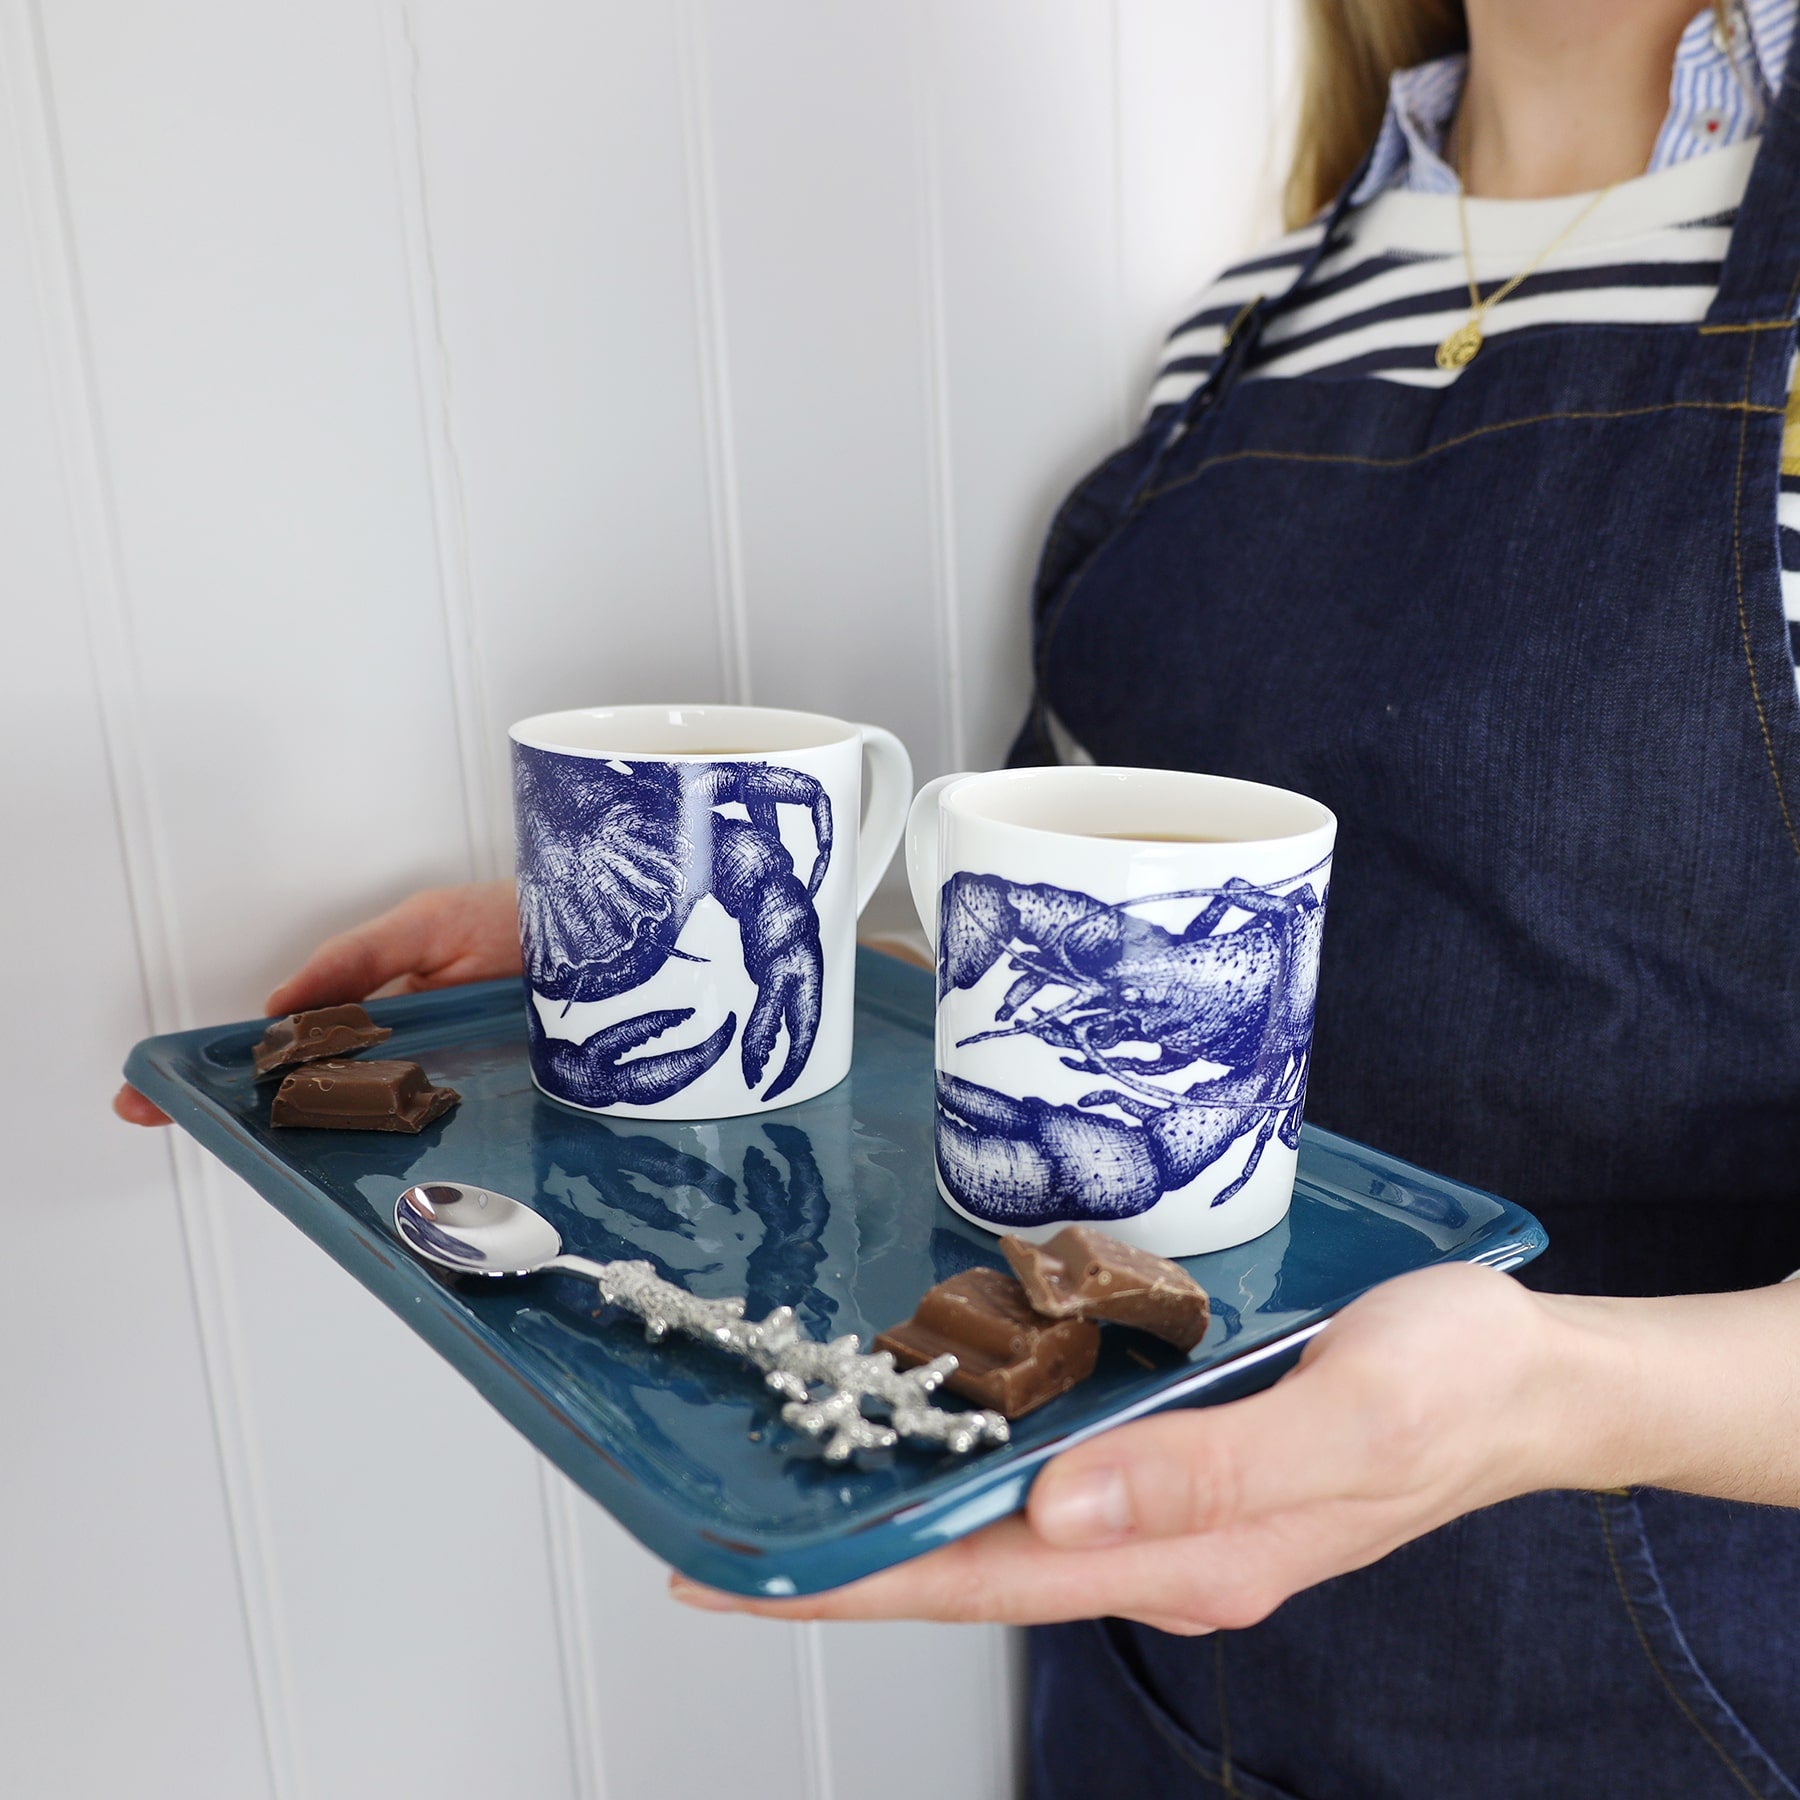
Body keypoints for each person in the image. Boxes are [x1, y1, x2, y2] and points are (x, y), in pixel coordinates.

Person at [118, 1, 1800, 1792]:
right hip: (1143, 1676)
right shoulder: (1249, 337)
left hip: (1651, 1687)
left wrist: (1553, 1401)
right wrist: (716, 942)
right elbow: (1065, 964)